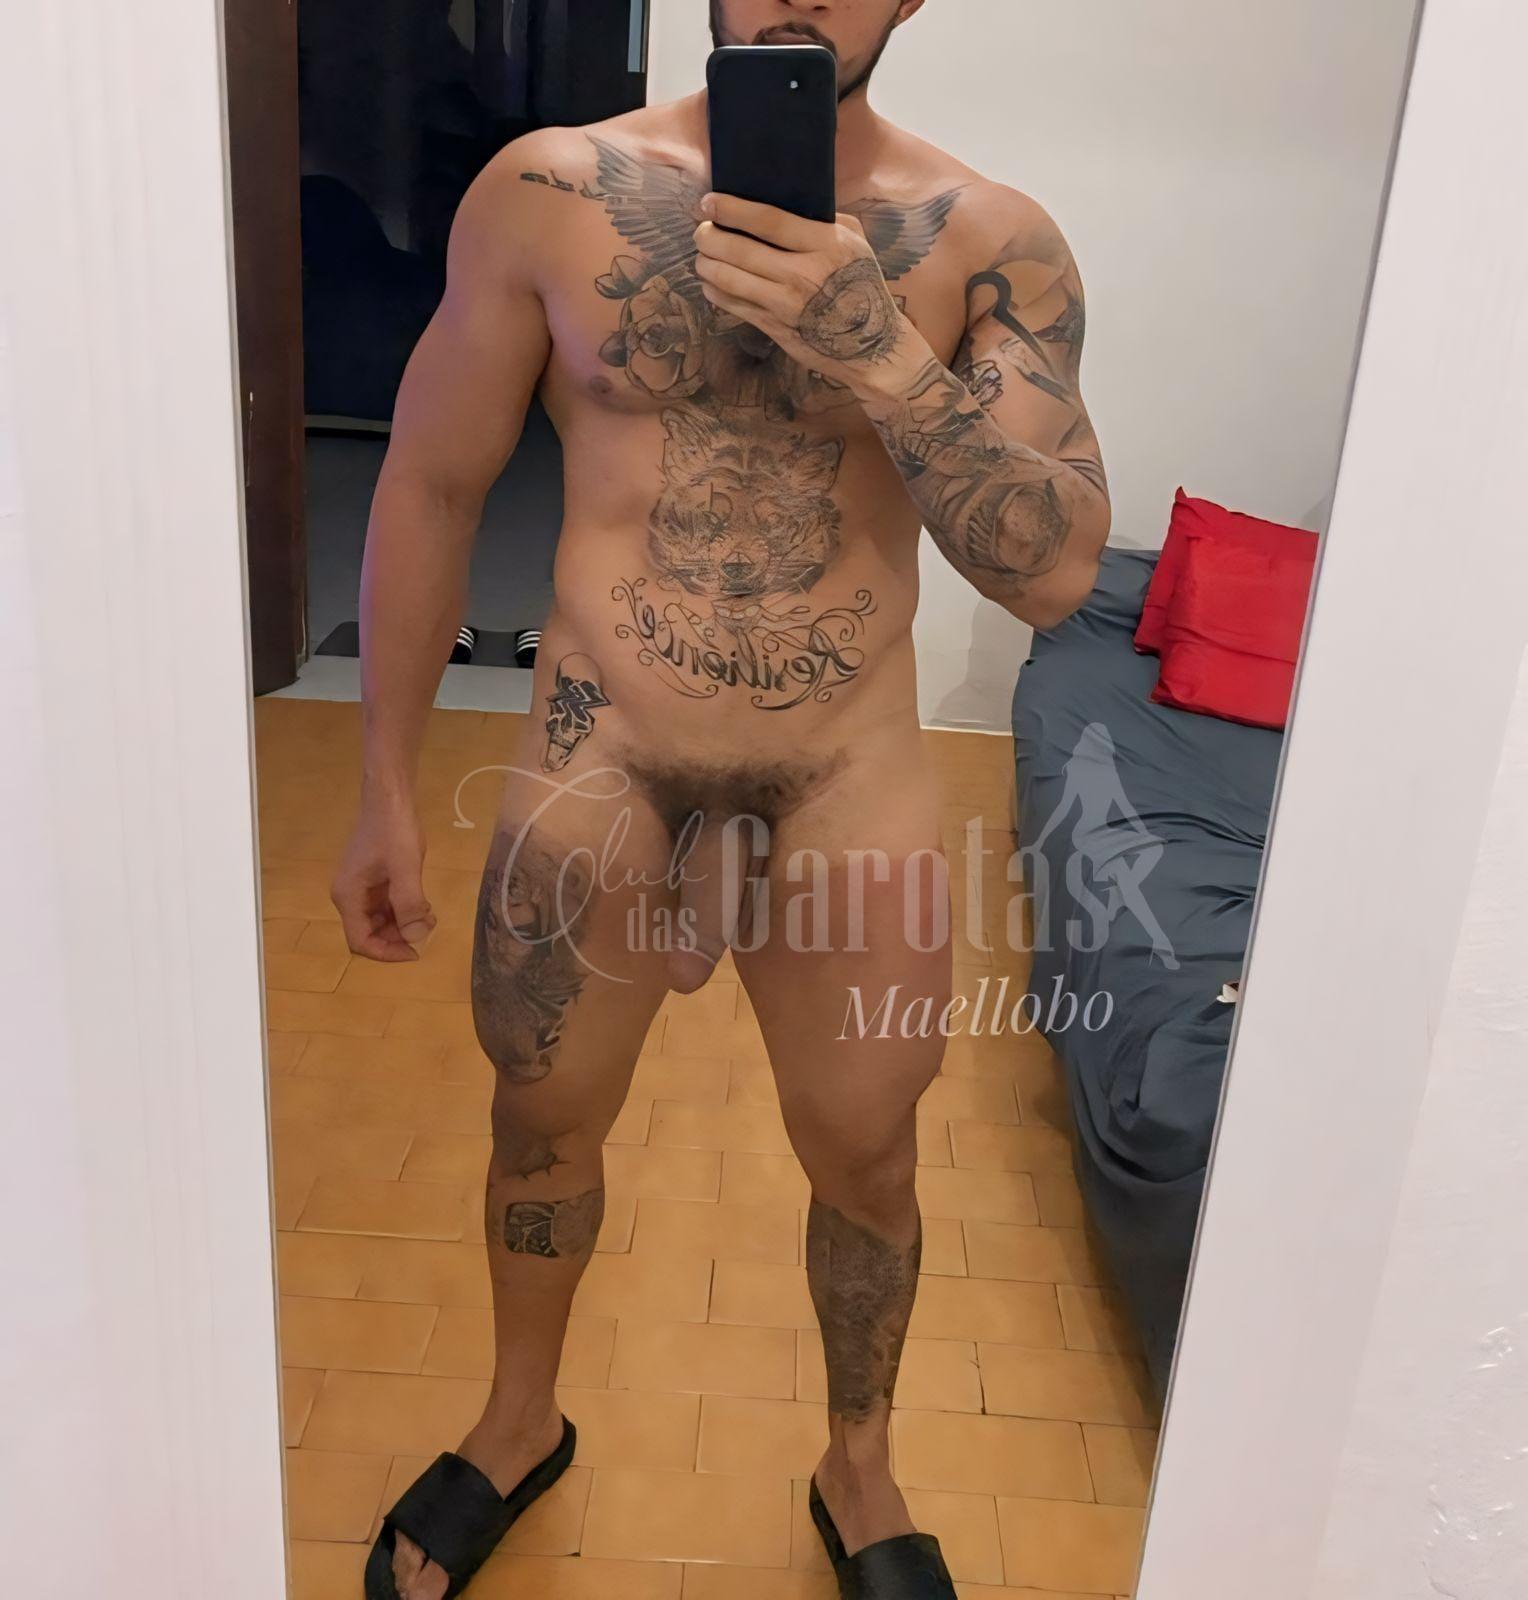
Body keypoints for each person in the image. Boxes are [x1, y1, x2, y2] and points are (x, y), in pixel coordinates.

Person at [331, 2, 1110, 1595]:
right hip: (600, 753)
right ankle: (518, 1419)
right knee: (539, 1115)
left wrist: (881, 349)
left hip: (845, 776)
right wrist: (384, 787)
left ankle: (860, 1465)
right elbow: (431, 481)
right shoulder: (548, 191)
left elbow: (1055, 573)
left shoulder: (990, 244)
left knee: (868, 1154)